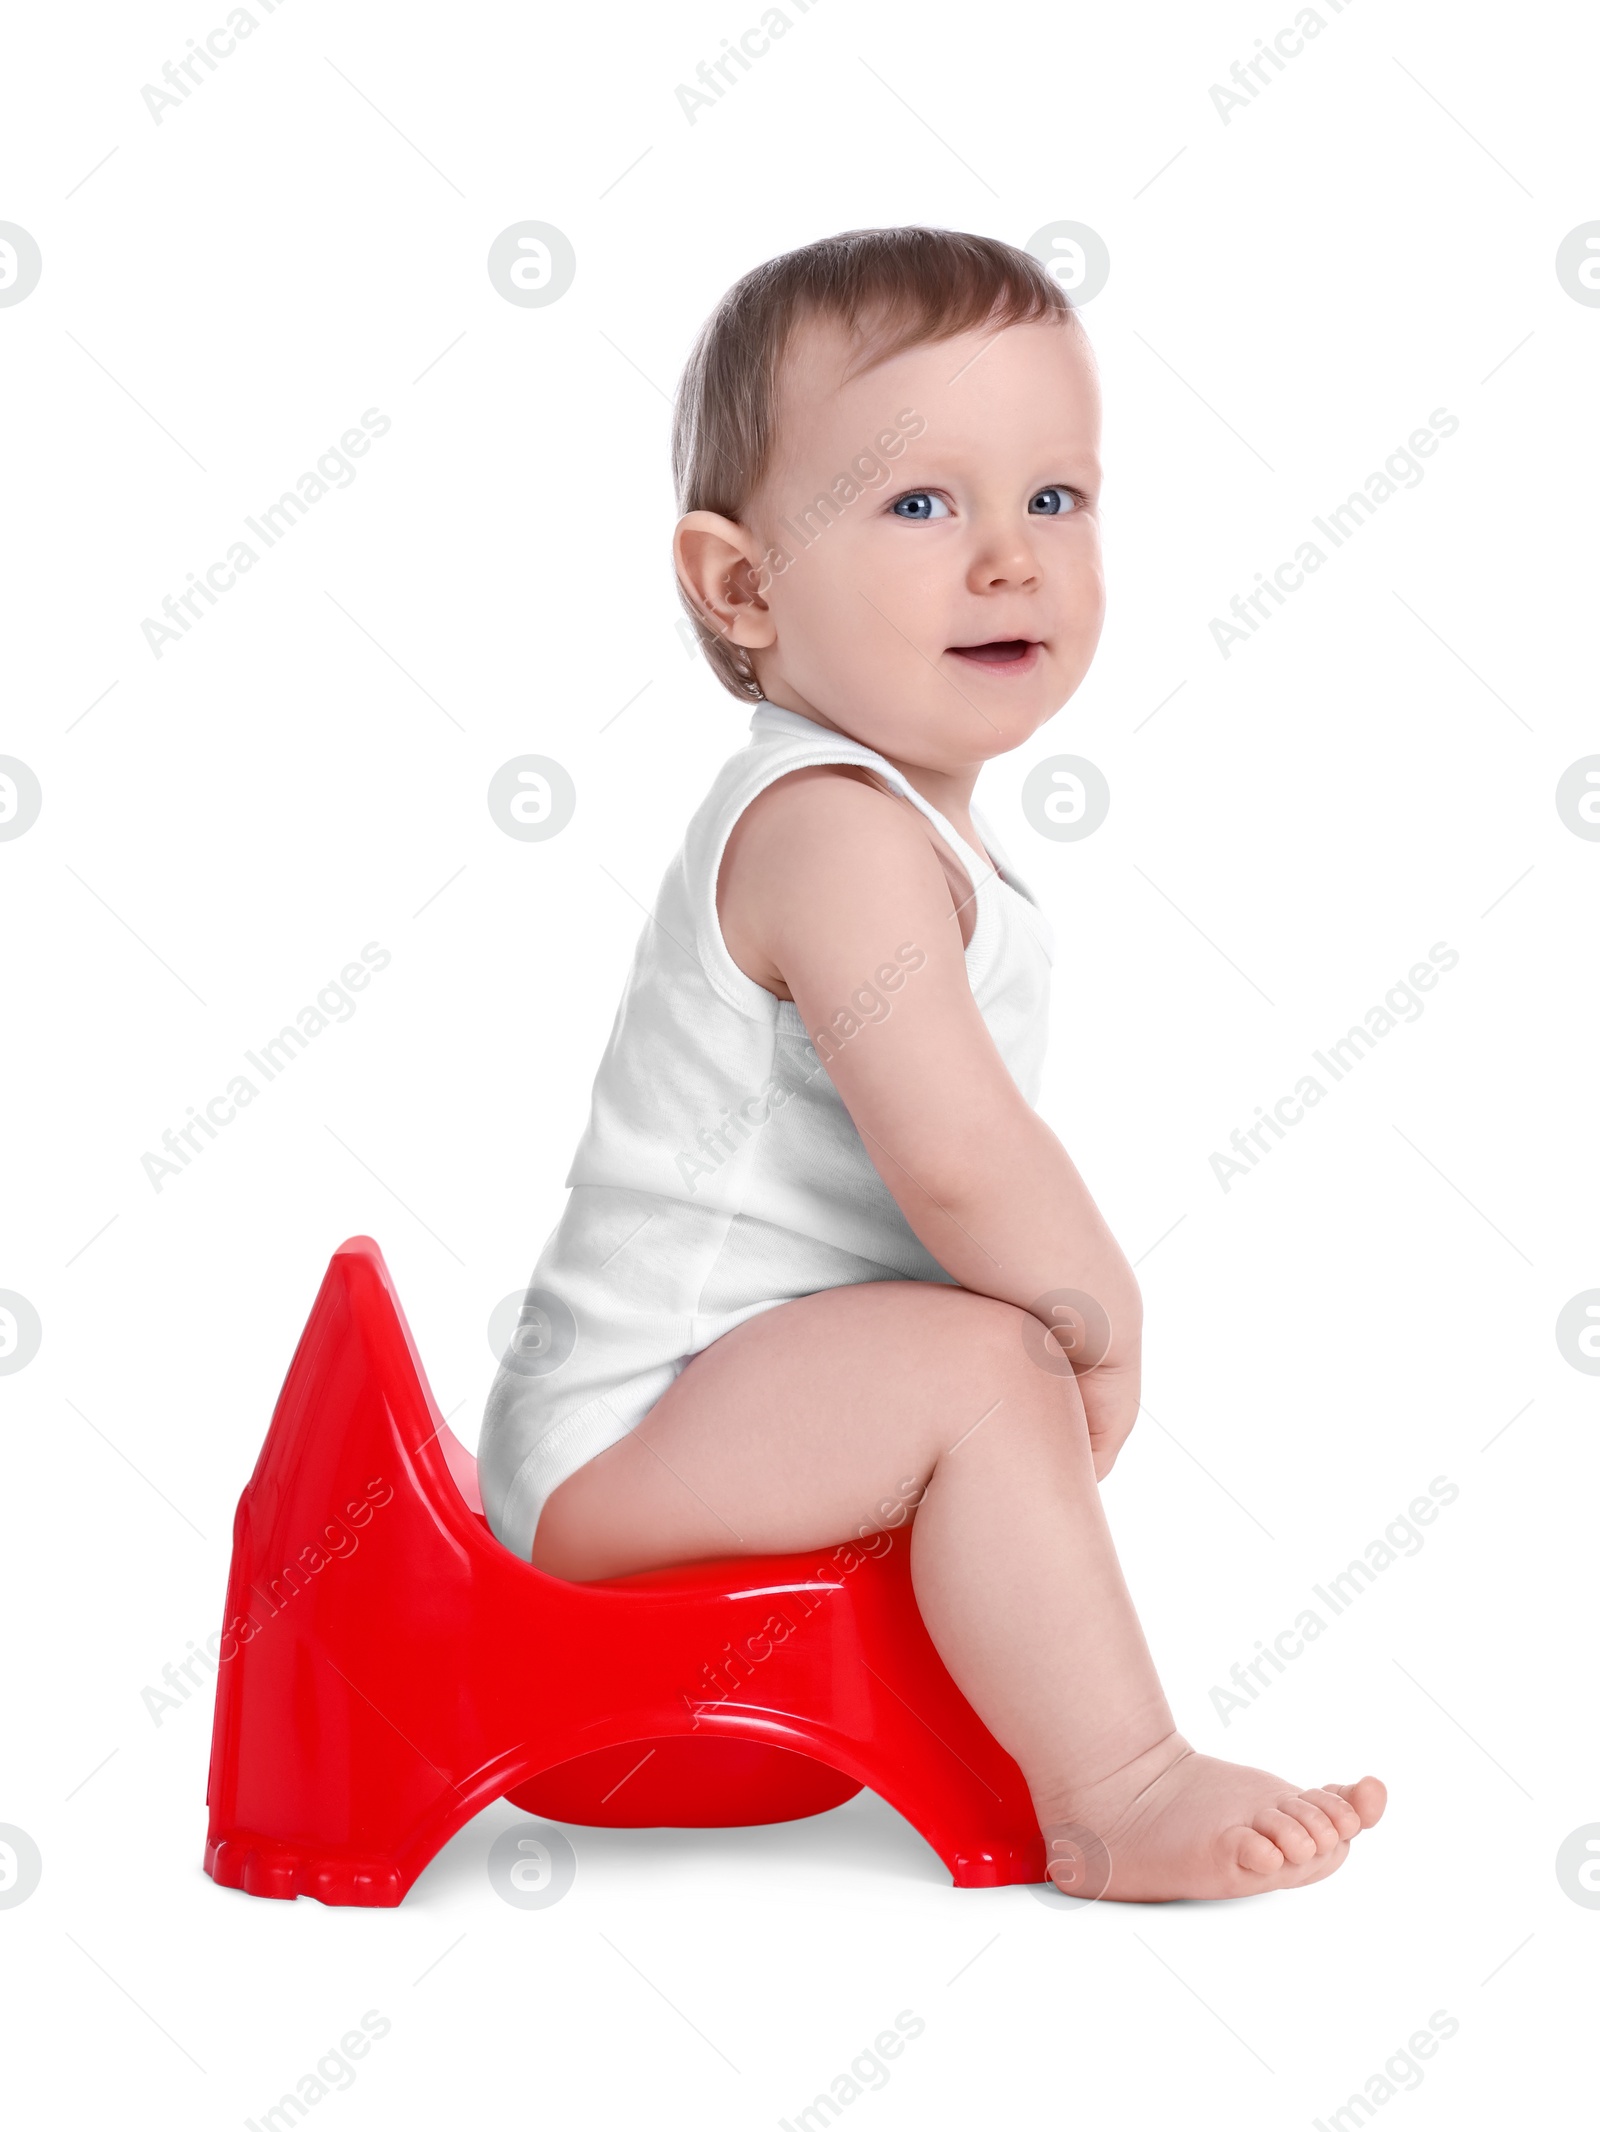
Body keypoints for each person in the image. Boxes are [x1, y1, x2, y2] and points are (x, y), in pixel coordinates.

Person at [479, 227, 1385, 1901]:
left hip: (739, 1410)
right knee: (984, 1368)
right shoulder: (827, 830)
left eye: (1056, 498)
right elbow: (957, 1153)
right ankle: (1121, 1785)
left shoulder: (898, 832)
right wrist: (1091, 1307)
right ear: (745, 586)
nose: (1009, 559)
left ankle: (1049, 1730)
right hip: (627, 1439)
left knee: (974, 1365)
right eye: (920, 504)